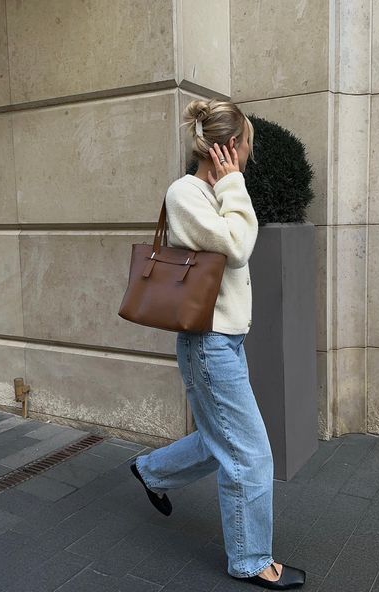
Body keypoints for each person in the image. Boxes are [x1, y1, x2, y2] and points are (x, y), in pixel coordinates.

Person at [130, 98, 306, 590]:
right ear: (230, 147)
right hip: (208, 344)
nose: (249, 155)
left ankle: (151, 471)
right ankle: (250, 560)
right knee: (251, 454)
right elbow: (237, 247)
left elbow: (233, 243)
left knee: (221, 440)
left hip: (224, 342)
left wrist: (229, 187)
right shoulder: (187, 193)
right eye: (247, 145)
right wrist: (233, 183)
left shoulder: (216, 192)